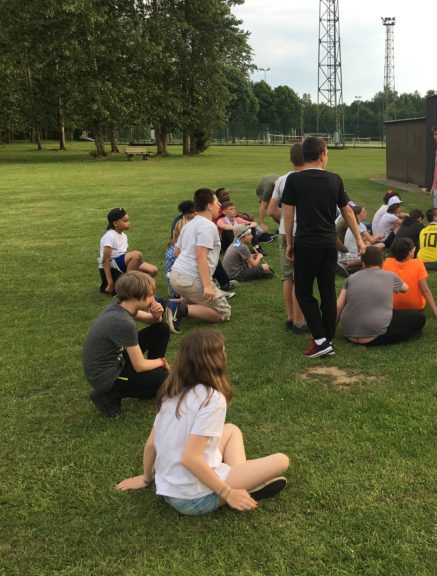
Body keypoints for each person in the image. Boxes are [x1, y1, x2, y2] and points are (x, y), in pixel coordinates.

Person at [116, 329, 290, 516]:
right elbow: (191, 458)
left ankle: (243, 482)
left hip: (168, 489)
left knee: (232, 430)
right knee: (282, 460)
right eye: (223, 351)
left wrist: (146, 478)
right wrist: (227, 493)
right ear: (214, 360)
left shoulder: (172, 391)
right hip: (193, 499)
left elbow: (151, 445)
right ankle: (242, 487)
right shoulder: (212, 399)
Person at [282, 136, 365, 358]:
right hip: (329, 243)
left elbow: (288, 215)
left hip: (306, 243)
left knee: (303, 291)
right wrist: (359, 239)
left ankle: (321, 340)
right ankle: (326, 337)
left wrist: (289, 243)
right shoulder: (334, 179)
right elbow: (347, 211)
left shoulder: (294, 180)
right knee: (327, 290)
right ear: (321, 155)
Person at [83, 272, 170, 417]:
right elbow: (139, 365)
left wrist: (156, 316)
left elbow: (151, 320)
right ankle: (108, 394)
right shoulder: (124, 322)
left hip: (116, 360)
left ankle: (152, 379)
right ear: (135, 297)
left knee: (161, 328)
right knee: (166, 380)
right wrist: (162, 362)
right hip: (106, 376)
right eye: (150, 295)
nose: (153, 299)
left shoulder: (121, 306)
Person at [167, 188, 231, 326]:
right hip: (191, 280)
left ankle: (164, 304)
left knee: (197, 299)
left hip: (175, 276)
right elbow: (200, 256)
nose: (219, 206)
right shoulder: (208, 226)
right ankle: (178, 309)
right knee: (223, 312)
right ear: (209, 206)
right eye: (217, 203)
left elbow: (177, 252)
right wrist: (207, 286)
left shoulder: (188, 225)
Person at [337, 247, 425, 346]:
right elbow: (405, 289)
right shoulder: (390, 276)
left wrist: (331, 332)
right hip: (375, 336)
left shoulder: (351, 278)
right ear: (383, 263)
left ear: (363, 263)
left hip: (349, 333)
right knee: (418, 318)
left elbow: (338, 306)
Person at [267, 143, 308, 335]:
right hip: (303, 232)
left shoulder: (282, 180)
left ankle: (290, 317)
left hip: (285, 232)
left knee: (287, 276)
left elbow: (271, 210)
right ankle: (300, 321)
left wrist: (283, 221)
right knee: (301, 277)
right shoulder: (310, 179)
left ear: (291, 159)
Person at [383, 238, 437, 320]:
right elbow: (425, 290)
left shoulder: (387, 263)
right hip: (415, 306)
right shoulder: (418, 264)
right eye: (414, 249)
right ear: (409, 252)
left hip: (392, 305)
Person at [99, 208, 158, 294]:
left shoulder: (124, 236)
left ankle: (138, 283)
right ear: (115, 223)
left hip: (121, 262)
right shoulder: (109, 236)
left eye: (128, 220)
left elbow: (123, 254)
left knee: (153, 271)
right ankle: (128, 285)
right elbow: (105, 260)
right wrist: (110, 283)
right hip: (113, 263)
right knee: (136, 255)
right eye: (125, 221)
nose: (129, 223)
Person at [339, 205, 385, 272]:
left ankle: (346, 264)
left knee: (367, 243)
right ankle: (348, 265)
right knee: (382, 245)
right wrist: (379, 236)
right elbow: (372, 240)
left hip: (349, 250)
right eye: (363, 212)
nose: (366, 213)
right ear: (357, 215)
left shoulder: (352, 225)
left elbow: (364, 240)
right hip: (355, 252)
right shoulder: (361, 226)